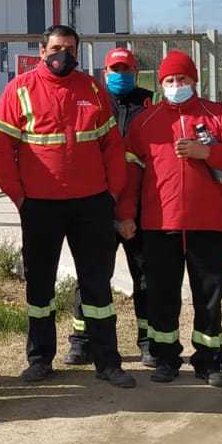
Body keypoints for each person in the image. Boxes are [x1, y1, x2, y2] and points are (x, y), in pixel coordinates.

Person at [0, 26, 137, 388]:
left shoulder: (91, 89)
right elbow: (0, 151)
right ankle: (40, 360)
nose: (63, 55)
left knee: (97, 287)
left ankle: (107, 361)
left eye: (70, 49)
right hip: (40, 206)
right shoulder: (18, 90)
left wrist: (112, 194)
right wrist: (20, 199)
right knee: (39, 286)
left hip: (92, 204)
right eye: (56, 48)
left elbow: (112, 147)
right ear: (41, 51)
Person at [116, 50, 222, 387]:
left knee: (208, 297)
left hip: (207, 225)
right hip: (160, 226)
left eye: (182, 79)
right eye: (169, 80)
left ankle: (208, 361)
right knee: (162, 296)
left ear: (193, 81)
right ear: (160, 84)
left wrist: (208, 151)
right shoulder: (145, 123)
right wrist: (124, 215)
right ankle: (166, 359)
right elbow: (130, 176)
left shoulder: (218, 116)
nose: (176, 85)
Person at [65, 46, 155, 367]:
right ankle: (82, 339)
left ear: (136, 73)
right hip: (98, 205)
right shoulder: (90, 103)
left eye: (126, 70)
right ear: (105, 74)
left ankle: (148, 341)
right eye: (114, 71)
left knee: (145, 276)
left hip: (141, 206)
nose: (120, 76)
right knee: (90, 275)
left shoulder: (151, 105)